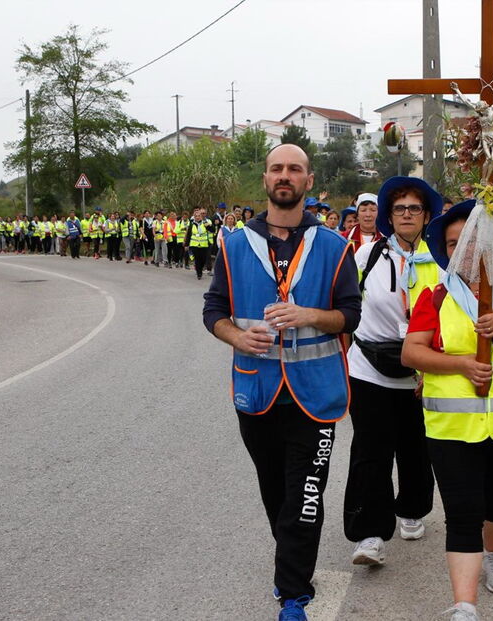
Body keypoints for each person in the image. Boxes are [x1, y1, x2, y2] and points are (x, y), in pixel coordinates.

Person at [203, 143, 361, 621]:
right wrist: (235, 334)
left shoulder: (336, 247)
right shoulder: (233, 245)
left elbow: (350, 314)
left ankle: (293, 593)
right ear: (266, 180)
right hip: (257, 391)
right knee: (276, 493)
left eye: (295, 169)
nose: (285, 176)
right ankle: (291, 560)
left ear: (309, 181)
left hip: (315, 394)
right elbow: (214, 311)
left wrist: (310, 314)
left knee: (305, 496)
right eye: (277, 169)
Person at [402, 199, 493, 621]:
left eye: (469, 240)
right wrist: (462, 364)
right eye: (452, 244)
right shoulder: (436, 296)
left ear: (488, 244)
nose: (461, 250)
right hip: (452, 427)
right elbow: (411, 353)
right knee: (462, 513)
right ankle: (465, 605)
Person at [343, 176, 441, 568]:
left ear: (426, 216)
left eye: (414, 208)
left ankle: (412, 509)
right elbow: (348, 307)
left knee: (417, 447)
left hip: (423, 371)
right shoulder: (367, 256)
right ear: (389, 215)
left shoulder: (441, 260)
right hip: (369, 367)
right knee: (370, 450)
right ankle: (369, 533)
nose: (406, 215)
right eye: (399, 208)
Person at [184, 208, 213, 280]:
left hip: (204, 245)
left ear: (201, 216)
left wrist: (208, 226)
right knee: (197, 259)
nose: (197, 217)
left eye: (199, 216)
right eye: (196, 216)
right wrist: (186, 245)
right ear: (194, 217)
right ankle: (199, 273)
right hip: (194, 245)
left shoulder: (205, 223)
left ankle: (200, 269)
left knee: (203, 259)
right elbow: (188, 235)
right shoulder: (191, 224)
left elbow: (213, 230)